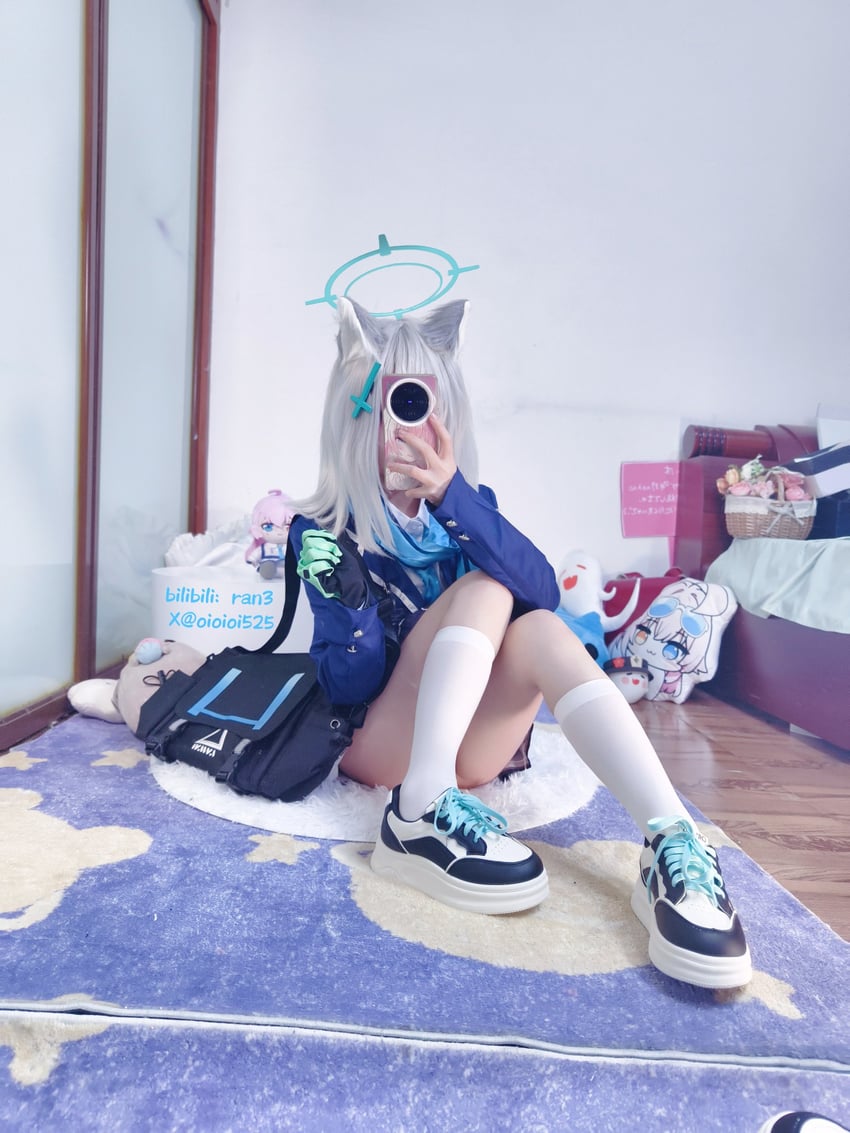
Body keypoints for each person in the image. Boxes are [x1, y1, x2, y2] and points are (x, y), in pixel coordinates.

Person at [289, 296, 751, 990]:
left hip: (466, 751)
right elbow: (348, 686)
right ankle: (416, 812)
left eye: (422, 403)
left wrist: (453, 498)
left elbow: (543, 592)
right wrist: (349, 602)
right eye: (393, 405)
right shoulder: (324, 529)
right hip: (376, 744)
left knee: (534, 624)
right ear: (355, 414)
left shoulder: (467, 508)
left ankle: (669, 839)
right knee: (484, 591)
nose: (408, 425)